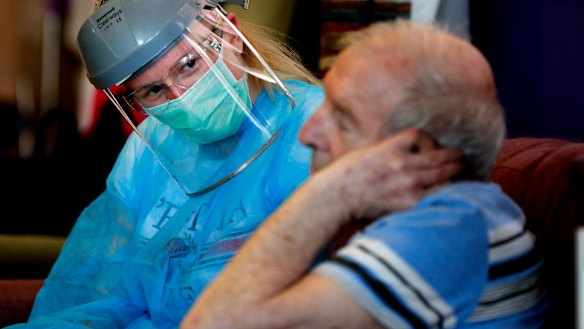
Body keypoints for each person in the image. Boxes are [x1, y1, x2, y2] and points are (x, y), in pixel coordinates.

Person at [180, 20, 549, 328]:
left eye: (342, 117)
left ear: (412, 152)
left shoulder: (450, 226)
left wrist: (332, 192)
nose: (308, 133)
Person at [7, 0, 328, 327]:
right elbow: (100, 292)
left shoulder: (318, 126)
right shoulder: (148, 148)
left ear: (231, 34)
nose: (181, 96)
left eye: (189, 64)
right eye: (154, 90)